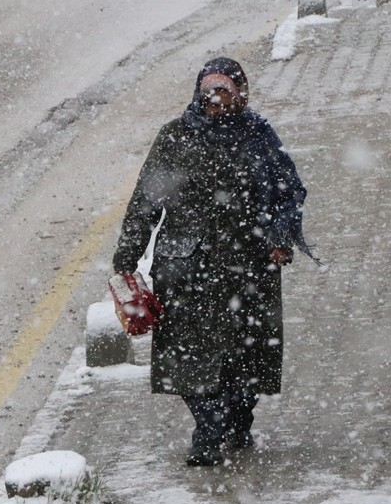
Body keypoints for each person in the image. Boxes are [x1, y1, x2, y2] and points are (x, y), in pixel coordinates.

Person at [112, 57, 313, 467]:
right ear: (199, 96)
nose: (217, 107)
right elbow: (145, 202)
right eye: (210, 99)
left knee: (249, 354)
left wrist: (278, 236)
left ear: (241, 96)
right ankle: (208, 426)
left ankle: (238, 421)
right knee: (188, 356)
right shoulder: (175, 137)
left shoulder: (258, 135)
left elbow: (289, 190)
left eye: (226, 99)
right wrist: (126, 259)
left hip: (249, 263)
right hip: (186, 267)